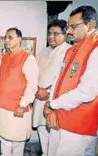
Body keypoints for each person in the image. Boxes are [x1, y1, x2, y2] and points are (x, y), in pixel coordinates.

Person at [44, 5, 98, 156]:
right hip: (59, 117)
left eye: (73, 26)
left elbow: (86, 92)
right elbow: (58, 81)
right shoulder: (72, 49)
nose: (69, 31)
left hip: (79, 126)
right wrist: (52, 110)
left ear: (90, 25)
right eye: (68, 27)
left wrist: (52, 105)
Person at [0, 27, 39, 156]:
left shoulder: (28, 58)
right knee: (4, 139)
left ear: (19, 39)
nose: (6, 40)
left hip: (17, 107)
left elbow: (32, 85)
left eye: (10, 37)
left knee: (17, 141)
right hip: (2, 105)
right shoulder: (5, 57)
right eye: (5, 37)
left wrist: (23, 105)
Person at [32, 19, 71, 156]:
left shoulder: (69, 51)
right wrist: (36, 89)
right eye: (49, 33)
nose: (51, 36)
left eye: (55, 33)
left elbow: (65, 78)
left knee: (55, 133)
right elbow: (35, 71)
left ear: (65, 35)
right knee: (42, 129)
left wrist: (47, 91)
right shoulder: (44, 50)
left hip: (55, 99)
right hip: (39, 96)